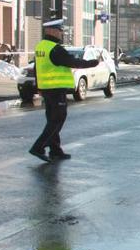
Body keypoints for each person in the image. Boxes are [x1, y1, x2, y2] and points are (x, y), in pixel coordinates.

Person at [28, 18, 101, 162]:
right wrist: (93, 63)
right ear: (52, 31)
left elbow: (37, 68)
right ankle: (38, 147)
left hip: (47, 89)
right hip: (56, 89)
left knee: (52, 119)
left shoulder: (41, 46)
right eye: (59, 31)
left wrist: (39, 86)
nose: (61, 34)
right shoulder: (55, 49)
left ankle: (55, 150)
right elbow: (72, 62)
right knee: (57, 120)